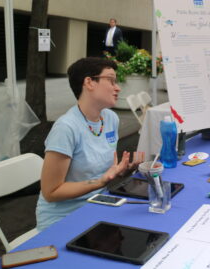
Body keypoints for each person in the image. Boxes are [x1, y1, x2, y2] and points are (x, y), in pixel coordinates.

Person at [36, 57, 143, 231]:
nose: (118, 87)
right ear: (89, 82)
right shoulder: (66, 128)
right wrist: (100, 182)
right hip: (63, 219)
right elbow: (51, 192)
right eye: (111, 80)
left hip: (97, 205)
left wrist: (122, 171)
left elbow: (102, 171)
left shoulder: (110, 119)